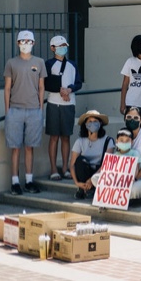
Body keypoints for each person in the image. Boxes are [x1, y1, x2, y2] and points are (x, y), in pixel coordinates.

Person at [3, 30, 46, 195]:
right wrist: (8, 111)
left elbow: (41, 87)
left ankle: (29, 180)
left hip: (34, 110)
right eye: (22, 41)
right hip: (15, 110)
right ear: (18, 43)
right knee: (15, 148)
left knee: (30, 147)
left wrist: (40, 109)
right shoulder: (11, 63)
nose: (26, 44)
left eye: (29, 41)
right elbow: (7, 88)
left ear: (33, 43)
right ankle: (15, 182)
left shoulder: (40, 62)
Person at [44, 35, 82, 180]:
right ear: (52, 48)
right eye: (59, 46)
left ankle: (65, 167)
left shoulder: (72, 64)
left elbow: (78, 82)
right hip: (54, 103)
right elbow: (46, 83)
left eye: (64, 45)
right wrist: (60, 90)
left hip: (69, 104)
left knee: (66, 136)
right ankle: (54, 168)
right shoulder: (48, 64)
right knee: (54, 137)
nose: (62, 48)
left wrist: (69, 90)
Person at [70, 110, 115, 199]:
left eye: (95, 121)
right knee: (79, 161)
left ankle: (92, 187)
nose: (92, 124)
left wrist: (92, 179)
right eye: (90, 121)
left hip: (99, 172)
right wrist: (76, 182)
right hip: (84, 171)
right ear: (85, 124)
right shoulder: (80, 141)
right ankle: (82, 187)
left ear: (100, 123)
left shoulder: (108, 140)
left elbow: (107, 163)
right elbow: (72, 164)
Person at [119, 35, 141, 128]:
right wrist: (122, 103)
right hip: (131, 102)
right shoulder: (130, 61)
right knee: (131, 129)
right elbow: (125, 84)